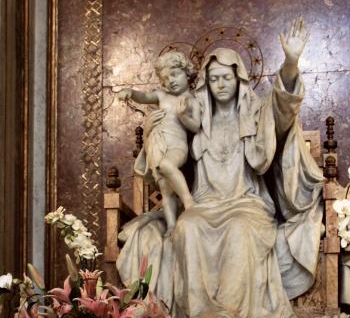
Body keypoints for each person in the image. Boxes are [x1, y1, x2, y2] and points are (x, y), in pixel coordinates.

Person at [117, 17, 324, 317]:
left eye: (226, 77)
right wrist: (153, 126)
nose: (220, 84)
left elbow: (283, 106)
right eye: (214, 78)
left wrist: (291, 63)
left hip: (246, 205)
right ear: (205, 82)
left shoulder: (255, 114)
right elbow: (161, 146)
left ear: (239, 78)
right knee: (187, 228)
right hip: (204, 204)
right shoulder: (194, 115)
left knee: (239, 231)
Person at [118, 51, 201, 237]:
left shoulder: (192, 100)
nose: (170, 81)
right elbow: (144, 97)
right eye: (165, 78)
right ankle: (171, 225)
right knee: (165, 188)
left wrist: (183, 116)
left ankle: (188, 202)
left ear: (187, 74)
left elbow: (196, 127)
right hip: (157, 144)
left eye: (175, 74)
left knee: (167, 165)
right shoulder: (162, 95)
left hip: (177, 145)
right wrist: (131, 92)